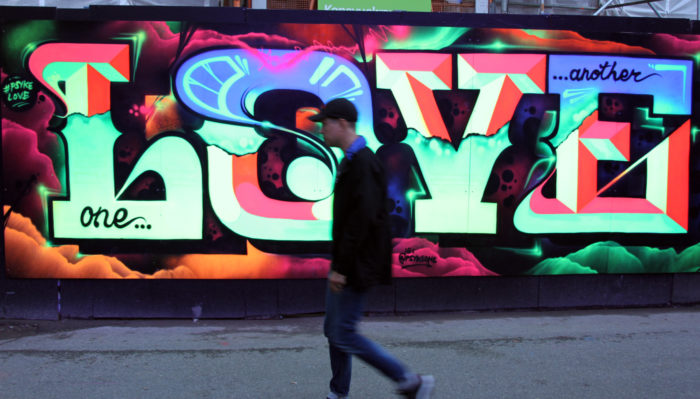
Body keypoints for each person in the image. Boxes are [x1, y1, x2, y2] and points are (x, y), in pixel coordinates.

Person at [309, 98, 435, 399]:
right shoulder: (351, 161)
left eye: (325, 123)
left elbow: (361, 221)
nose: (322, 129)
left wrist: (341, 268)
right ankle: (338, 392)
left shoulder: (363, 163)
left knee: (344, 332)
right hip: (346, 260)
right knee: (334, 330)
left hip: (355, 264)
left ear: (342, 124)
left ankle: (410, 380)